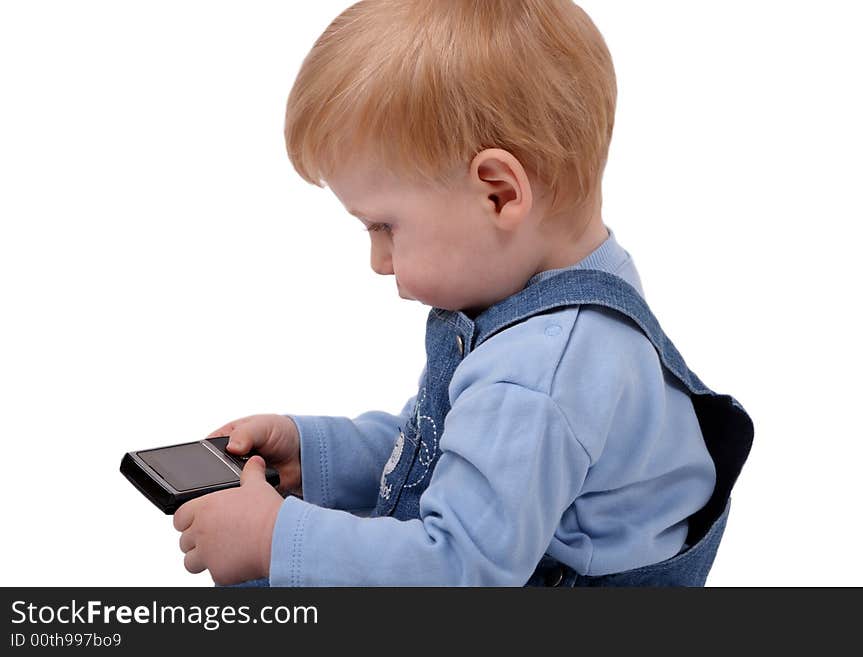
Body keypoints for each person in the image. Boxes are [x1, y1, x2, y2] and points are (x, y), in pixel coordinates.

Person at [172, 0, 754, 587]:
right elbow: (438, 449)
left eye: (384, 227)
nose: (378, 261)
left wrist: (276, 540)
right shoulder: (572, 285)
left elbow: (458, 573)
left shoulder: (534, 377)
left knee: (265, 581)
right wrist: (313, 455)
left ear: (498, 194)